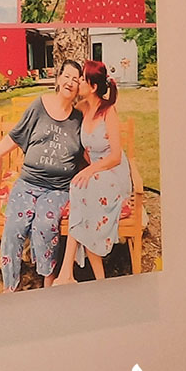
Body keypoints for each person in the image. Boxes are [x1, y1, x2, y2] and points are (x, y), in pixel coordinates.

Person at [0, 60, 84, 291]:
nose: (70, 82)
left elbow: (91, 150)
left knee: (46, 223)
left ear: (79, 85)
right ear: (58, 79)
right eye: (67, 76)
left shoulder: (78, 119)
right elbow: (14, 137)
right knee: (14, 226)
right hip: (28, 183)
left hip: (58, 188)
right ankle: (10, 286)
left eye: (76, 79)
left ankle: (48, 281)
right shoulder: (39, 106)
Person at [56, 61, 131, 284]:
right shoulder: (81, 109)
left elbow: (116, 156)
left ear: (93, 86)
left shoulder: (108, 112)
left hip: (113, 173)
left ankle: (67, 272)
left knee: (80, 189)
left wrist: (91, 170)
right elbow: (63, 114)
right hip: (95, 174)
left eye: (81, 80)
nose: (77, 82)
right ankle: (98, 280)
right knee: (83, 199)